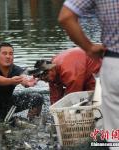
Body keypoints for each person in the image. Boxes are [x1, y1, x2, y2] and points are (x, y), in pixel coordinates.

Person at [58, 0, 119, 147]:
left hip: (113, 64)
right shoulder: (56, 67)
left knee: (114, 132)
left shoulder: (67, 69)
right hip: (104, 67)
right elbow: (55, 90)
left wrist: (90, 48)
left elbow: (66, 16)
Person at [0, 42, 43, 122]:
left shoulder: (15, 69)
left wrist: (27, 81)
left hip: (8, 103)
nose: (8, 56)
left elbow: (23, 76)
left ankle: (33, 123)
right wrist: (11, 80)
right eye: (4, 53)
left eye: (11, 54)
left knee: (37, 98)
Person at [33, 47, 102, 104]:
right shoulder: (52, 70)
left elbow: (73, 97)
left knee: (91, 99)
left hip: (99, 69)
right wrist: (53, 110)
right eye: (44, 80)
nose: (46, 82)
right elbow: (55, 96)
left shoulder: (69, 72)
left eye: (46, 79)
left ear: (50, 70)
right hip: (82, 67)